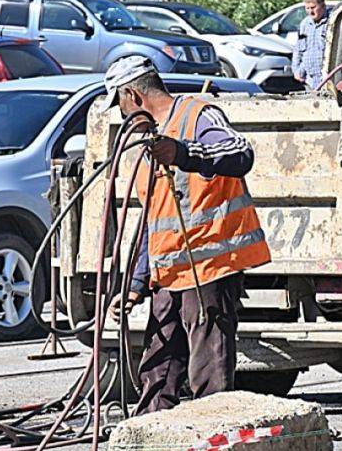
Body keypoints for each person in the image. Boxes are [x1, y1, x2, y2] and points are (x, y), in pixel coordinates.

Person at [104, 56, 271, 414]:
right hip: (170, 274)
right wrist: (134, 284)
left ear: (132, 95)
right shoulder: (147, 145)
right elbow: (156, 220)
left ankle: (212, 450)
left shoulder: (197, 115)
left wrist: (182, 153)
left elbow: (239, 153)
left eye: (119, 105)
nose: (121, 116)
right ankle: (152, 447)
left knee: (208, 373)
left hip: (208, 268)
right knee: (158, 369)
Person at [292, 0, 329, 91]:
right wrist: (296, 70)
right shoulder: (304, 24)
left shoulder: (331, 22)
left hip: (327, 79)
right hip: (309, 81)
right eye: (307, 8)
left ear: (323, 6)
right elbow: (298, 49)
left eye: (313, 7)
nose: (310, 12)